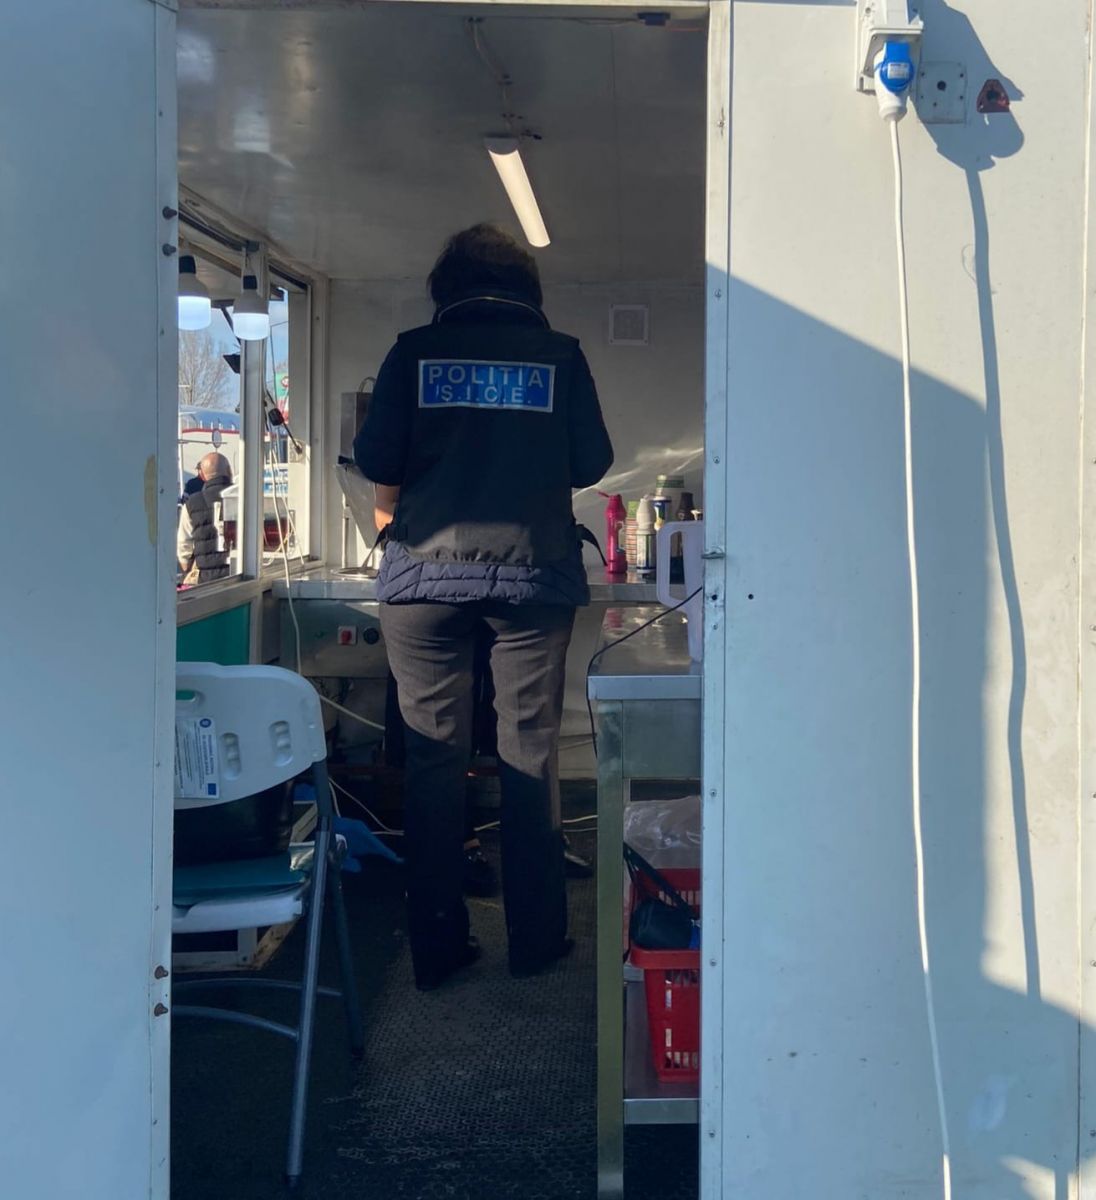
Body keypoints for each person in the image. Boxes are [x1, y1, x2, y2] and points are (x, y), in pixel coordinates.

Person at [354, 223, 613, 990]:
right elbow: (592, 462)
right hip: (532, 576)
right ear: (526, 288)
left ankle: (438, 948)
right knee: (529, 751)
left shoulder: (412, 353)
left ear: (446, 288)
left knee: (434, 761)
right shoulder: (560, 355)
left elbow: (375, 458)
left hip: (423, 580)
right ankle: (536, 942)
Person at [177, 451, 233, 585]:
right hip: (237, 574)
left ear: (202, 475)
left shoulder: (191, 504)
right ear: (229, 471)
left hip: (205, 579)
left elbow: (184, 546)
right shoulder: (242, 496)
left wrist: (187, 569)